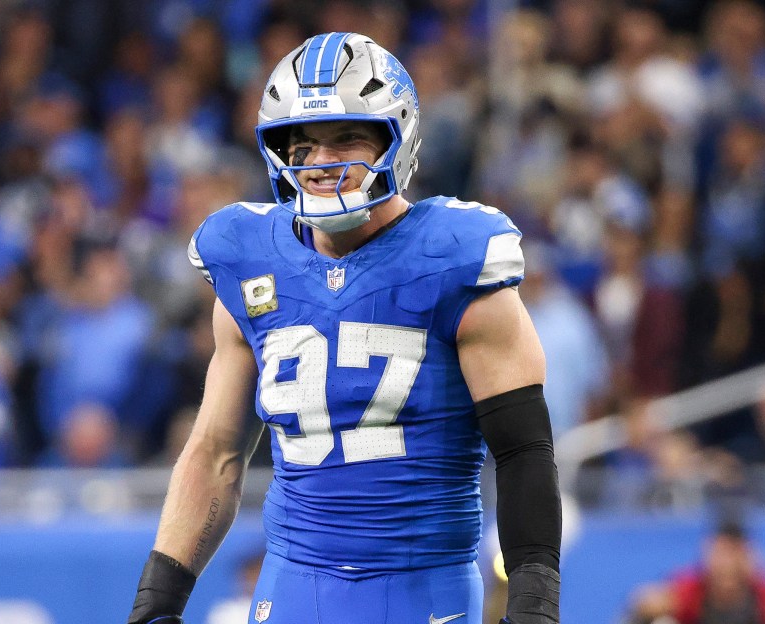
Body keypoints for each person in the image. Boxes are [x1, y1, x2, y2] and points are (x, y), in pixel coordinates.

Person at [128, 32, 562, 624]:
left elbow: (524, 452)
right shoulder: (249, 259)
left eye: (346, 138)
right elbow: (216, 454)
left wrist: (535, 604)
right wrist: (156, 602)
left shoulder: (455, 256)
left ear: (396, 138)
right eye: (304, 143)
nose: (321, 162)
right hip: (292, 585)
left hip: (421, 589)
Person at [628, 519, 765, 624]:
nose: (727, 564)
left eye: (733, 554)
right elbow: (648, 601)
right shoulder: (688, 591)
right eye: (720, 554)